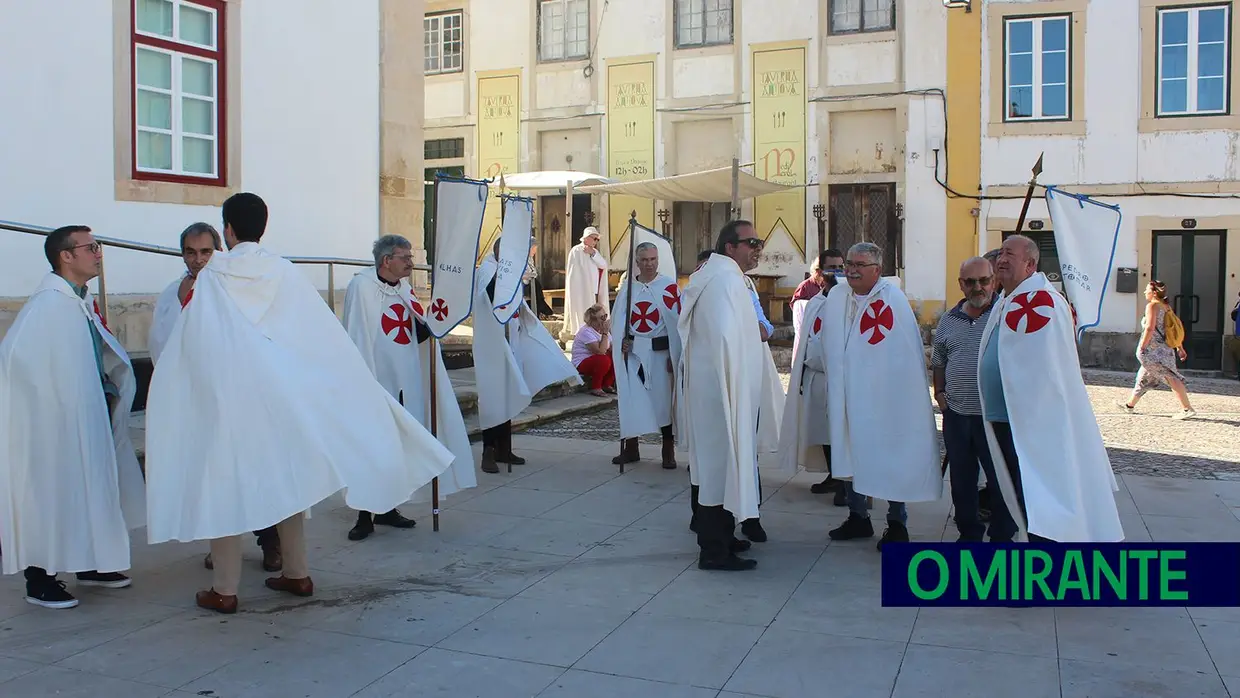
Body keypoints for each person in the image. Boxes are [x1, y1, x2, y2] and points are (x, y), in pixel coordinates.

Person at [144, 193, 455, 614]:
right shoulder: (284, 272)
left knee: (226, 486)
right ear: (263, 228)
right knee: (286, 483)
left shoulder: (213, 276)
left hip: (231, 400)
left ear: (228, 231)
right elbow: (315, 333)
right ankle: (297, 573)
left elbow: (196, 342)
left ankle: (225, 588)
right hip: (281, 397)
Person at [0, 225, 146, 609]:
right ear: (66, 256)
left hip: (87, 412)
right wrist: (53, 405)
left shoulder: (75, 300)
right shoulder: (47, 304)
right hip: (54, 424)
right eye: (90, 247)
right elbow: (16, 360)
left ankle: (90, 562)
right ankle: (40, 577)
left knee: (92, 486)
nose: (98, 253)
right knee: (52, 492)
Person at [149, 223, 284, 573]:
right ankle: (223, 548)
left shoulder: (235, 287)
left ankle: (271, 540)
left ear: (219, 250)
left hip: (242, 397)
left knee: (253, 472)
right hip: (201, 399)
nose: (198, 260)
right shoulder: (172, 293)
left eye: (206, 252)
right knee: (216, 479)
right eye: (190, 253)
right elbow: (162, 346)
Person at [979, 235, 1123, 542]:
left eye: (1010, 254)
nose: (1002, 259)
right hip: (1005, 419)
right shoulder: (1008, 298)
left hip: (1031, 423)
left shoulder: (1041, 301)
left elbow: (1045, 368)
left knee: (1038, 493)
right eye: (1001, 253)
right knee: (1015, 492)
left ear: (1030, 264)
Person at [341, 235, 477, 541]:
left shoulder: (404, 289)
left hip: (404, 381)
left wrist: (435, 322)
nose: (410, 262)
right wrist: (361, 384)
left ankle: (389, 508)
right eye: (404, 257)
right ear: (386, 260)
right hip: (374, 381)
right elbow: (356, 336)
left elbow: (419, 331)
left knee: (397, 448)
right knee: (370, 447)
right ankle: (364, 515)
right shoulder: (361, 287)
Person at [822, 242, 942, 550]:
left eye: (860, 264)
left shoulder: (893, 301)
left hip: (886, 400)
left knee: (889, 456)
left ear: (877, 270)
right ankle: (857, 516)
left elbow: (903, 354)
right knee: (851, 450)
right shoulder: (836, 297)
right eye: (849, 263)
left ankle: (897, 522)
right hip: (846, 395)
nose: (851, 269)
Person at [679, 221, 769, 570]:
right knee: (720, 467)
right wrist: (734, 387)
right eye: (751, 242)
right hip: (720, 393)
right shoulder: (725, 280)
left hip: (717, 389)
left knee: (723, 466)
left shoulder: (721, 275)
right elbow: (724, 340)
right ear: (731, 247)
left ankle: (724, 537)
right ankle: (714, 551)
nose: (757, 248)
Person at [474, 236, 582, 474]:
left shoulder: (509, 270)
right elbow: (492, 296)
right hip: (493, 345)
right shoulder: (488, 270)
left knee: (509, 393)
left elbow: (516, 304)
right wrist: (505, 277)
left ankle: (504, 447)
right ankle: (488, 451)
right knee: (493, 398)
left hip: (511, 339)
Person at [931, 257, 1014, 542]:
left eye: (984, 281)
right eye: (970, 282)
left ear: (994, 281)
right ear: (961, 284)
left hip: (995, 418)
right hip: (957, 415)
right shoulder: (948, 319)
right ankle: (969, 535)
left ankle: (1002, 537)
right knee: (962, 482)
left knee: (1001, 480)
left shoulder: (1005, 316)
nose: (978, 287)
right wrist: (940, 396)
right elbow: (938, 359)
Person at [611, 242, 681, 468]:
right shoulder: (628, 289)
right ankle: (631, 447)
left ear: (658, 260)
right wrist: (622, 340)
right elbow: (619, 321)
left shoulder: (669, 288)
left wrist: (674, 353)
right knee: (632, 398)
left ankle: (667, 450)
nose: (649, 264)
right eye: (644, 260)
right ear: (637, 262)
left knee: (663, 402)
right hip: (633, 354)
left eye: (653, 259)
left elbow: (678, 324)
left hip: (660, 354)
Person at [778, 270, 844, 504]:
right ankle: (834, 476)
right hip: (816, 377)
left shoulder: (847, 305)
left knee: (841, 433)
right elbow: (805, 339)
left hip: (839, 379)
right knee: (821, 430)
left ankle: (847, 484)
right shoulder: (815, 304)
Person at [1117, 280, 1196, 419]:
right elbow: (1173, 330)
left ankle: (1187, 408)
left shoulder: (1152, 306)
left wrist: (1142, 346)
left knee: (1170, 376)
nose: (1144, 292)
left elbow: (1150, 327)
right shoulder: (1166, 307)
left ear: (1154, 292)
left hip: (1153, 350)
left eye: (1147, 289)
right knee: (1144, 378)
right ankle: (1130, 405)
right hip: (1166, 350)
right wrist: (1180, 347)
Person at [562, 227, 609, 339]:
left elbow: (603, 265)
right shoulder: (575, 251)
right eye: (595, 239)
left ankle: (591, 335)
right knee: (579, 315)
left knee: (593, 314)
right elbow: (574, 274)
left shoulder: (594, 252)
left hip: (593, 290)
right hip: (580, 291)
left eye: (597, 239)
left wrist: (593, 253)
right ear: (587, 238)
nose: (596, 241)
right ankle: (572, 337)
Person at [790, 248, 844, 339]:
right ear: (820, 271)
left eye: (840, 267)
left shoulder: (849, 294)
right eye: (832, 267)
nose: (837, 272)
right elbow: (798, 310)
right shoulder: (813, 302)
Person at [572, 304, 616, 397]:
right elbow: (600, 351)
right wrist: (605, 333)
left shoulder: (603, 331)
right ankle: (596, 387)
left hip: (596, 360)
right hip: (582, 362)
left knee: (615, 355)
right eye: (602, 318)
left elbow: (612, 347)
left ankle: (607, 384)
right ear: (593, 321)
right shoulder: (586, 332)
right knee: (603, 359)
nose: (605, 320)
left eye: (605, 316)